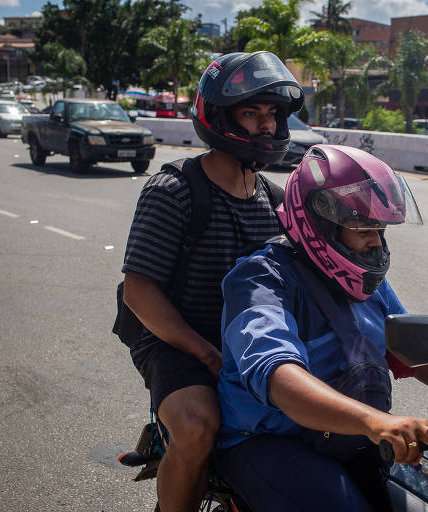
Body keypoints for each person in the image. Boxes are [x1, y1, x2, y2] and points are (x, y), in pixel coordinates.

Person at [214, 144, 428, 511]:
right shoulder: (260, 279)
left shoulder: (366, 281)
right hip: (270, 439)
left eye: (380, 229)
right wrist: (377, 423)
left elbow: (418, 357)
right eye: (364, 228)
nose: (376, 242)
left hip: (351, 432)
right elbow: (281, 380)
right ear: (320, 224)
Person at [120, 51, 303, 512]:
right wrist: (205, 353)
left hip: (250, 343)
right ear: (219, 117)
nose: (265, 126)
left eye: (272, 115)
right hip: (174, 340)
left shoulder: (276, 203)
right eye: (250, 113)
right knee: (198, 425)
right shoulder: (175, 191)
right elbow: (139, 291)